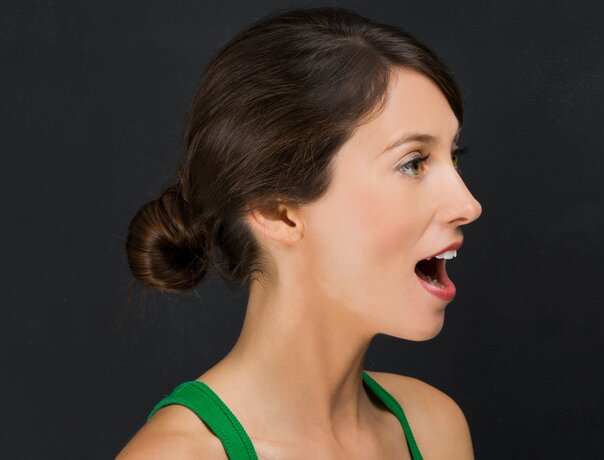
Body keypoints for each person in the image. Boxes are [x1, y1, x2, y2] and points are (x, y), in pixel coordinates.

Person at [118, 7, 481, 459]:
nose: (469, 205)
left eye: (454, 158)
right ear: (278, 211)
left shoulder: (434, 429)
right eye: (413, 163)